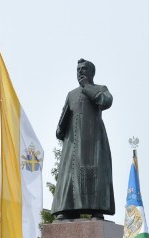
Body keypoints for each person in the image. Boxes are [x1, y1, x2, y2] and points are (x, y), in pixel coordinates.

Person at [53, 58, 115, 220]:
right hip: (72, 143)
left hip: (93, 142)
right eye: (78, 69)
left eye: (84, 69)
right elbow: (63, 118)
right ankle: (69, 209)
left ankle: (96, 209)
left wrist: (87, 86)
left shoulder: (99, 89)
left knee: (94, 173)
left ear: (92, 73)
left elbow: (106, 101)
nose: (80, 72)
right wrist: (60, 128)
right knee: (70, 175)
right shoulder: (71, 94)